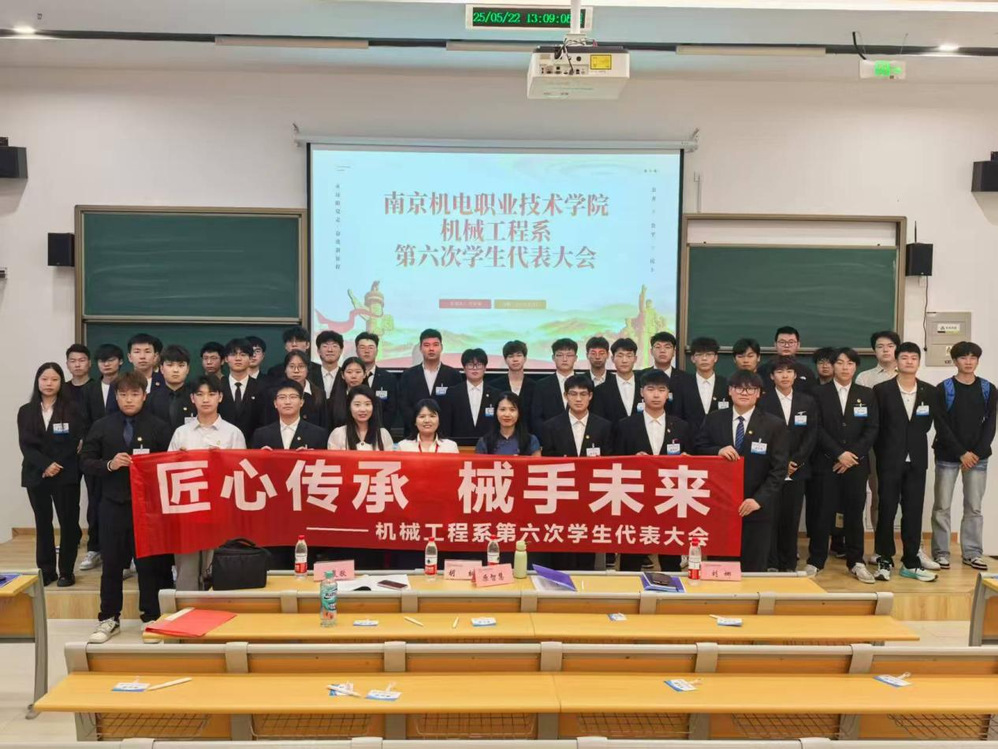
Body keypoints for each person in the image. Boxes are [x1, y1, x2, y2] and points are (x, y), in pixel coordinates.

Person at [80, 372, 173, 642]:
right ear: (116, 396)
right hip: (112, 504)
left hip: (148, 507)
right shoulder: (102, 425)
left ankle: (151, 616)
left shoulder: (159, 426)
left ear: (144, 395)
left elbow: (169, 464)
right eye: (123, 394)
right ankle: (109, 617)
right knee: (111, 564)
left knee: (148, 564)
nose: (128, 399)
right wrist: (110, 464)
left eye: (134, 394)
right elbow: (86, 461)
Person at [872, 342, 952, 583]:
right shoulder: (881, 390)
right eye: (904, 357)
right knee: (887, 509)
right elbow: (876, 426)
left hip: (917, 460)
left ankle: (911, 562)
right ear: (896, 361)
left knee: (913, 511)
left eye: (913, 358)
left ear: (918, 362)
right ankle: (884, 559)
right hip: (889, 458)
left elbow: (936, 424)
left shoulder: (930, 391)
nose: (909, 361)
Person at [695, 369, 788, 572]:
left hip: (755, 506)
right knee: (720, 566)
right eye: (739, 388)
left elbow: (779, 469)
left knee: (753, 566)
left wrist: (758, 500)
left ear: (758, 393)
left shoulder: (774, 425)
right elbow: (699, 449)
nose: (744, 393)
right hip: (720, 505)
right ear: (730, 391)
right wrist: (717, 450)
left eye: (750, 389)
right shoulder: (714, 419)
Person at [805, 348, 879, 583]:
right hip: (826, 463)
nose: (845, 367)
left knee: (855, 513)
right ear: (832, 366)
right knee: (822, 512)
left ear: (856, 367)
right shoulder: (817, 393)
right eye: (840, 363)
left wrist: (852, 456)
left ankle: (856, 561)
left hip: (856, 465)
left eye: (850, 363)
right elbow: (815, 427)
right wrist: (838, 454)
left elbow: (872, 428)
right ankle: (816, 560)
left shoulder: (867, 394)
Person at [168, 375, 247, 590]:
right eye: (200, 394)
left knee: (218, 564)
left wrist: (223, 460)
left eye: (211, 394)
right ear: (192, 398)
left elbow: (243, 473)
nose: (205, 399)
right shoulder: (181, 433)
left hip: (221, 507)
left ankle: (218, 606)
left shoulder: (233, 433)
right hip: (189, 508)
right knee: (187, 567)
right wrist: (179, 460)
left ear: (220, 397)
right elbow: (168, 472)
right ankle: (187, 606)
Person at [615, 369, 694, 572]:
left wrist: (687, 460)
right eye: (650, 389)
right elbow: (615, 462)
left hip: (670, 498)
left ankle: (672, 590)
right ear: (642, 392)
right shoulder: (625, 425)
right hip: (635, 499)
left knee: (670, 557)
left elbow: (692, 462)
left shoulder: (682, 426)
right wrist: (632, 461)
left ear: (668, 394)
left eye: (661, 389)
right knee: (631, 557)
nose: (656, 395)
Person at [17, 363, 85, 587]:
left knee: (68, 523)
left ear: (60, 382)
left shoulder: (72, 408)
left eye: (54, 379)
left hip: (65, 473)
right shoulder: (26, 411)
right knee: (43, 522)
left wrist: (55, 465)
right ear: (37, 381)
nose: (49, 383)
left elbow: (74, 442)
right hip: (36, 474)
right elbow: (26, 445)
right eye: (44, 379)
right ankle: (46, 570)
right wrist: (45, 465)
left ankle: (66, 571)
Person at [931, 341, 996, 571]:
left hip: (978, 458)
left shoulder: (988, 389)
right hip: (948, 455)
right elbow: (941, 424)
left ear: (977, 360)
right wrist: (961, 453)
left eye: (973, 358)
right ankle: (941, 553)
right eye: (963, 357)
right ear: (954, 361)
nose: (968, 362)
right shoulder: (943, 388)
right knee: (942, 506)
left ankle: (972, 553)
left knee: (974, 507)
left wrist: (975, 453)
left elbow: (990, 424)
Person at [759, 356, 819, 572]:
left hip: (797, 470)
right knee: (770, 516)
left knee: (791, 518)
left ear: (795, 375)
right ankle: (771, 562)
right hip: (770, 469)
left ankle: (789, 563)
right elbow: (761, 435)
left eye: (789, 372)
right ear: (771, 376)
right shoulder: (763, 401)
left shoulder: (807, 401)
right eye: (779, 372)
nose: (784, 376)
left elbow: (811, 435)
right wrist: (780, 463)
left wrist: (796, 461)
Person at [79, 343, 125, 572]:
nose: (106, 364)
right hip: (97, 455)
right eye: (102, 360)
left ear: (121, 361)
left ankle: (126, 553)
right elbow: (83, 420)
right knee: (95, 502)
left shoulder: (126, 386)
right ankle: (94, 547)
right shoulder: (89, 389)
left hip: (123, 453)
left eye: (111, 359)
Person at [398, 329, 462, 438]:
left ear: (441, 347)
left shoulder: (453, 375)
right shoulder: (408, 375)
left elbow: (457, 407)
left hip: (445, 435)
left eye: (435, 345)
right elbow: (404, 405)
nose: (431, 349)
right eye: (427, 345)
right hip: (414, 434)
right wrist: (419, 426)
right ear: (420, 348)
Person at [252, 379, 330, 450]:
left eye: (293, 397)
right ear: (275, 403)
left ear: (301, 402)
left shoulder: (318, 434)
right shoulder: (261, 434)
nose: (287, 402)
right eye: (282, 397)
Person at [442, 348, 500, 445]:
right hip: (459, 445)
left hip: (489, 446)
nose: (475, 368)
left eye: (479, 365)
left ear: (485, 368)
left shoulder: (496, 394)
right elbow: (446, 424)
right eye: (470, 365)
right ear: (464, 368)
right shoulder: (452, 393)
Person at [218, 338, 264, 442]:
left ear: (250, 358)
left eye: (243, 355)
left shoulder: (262, 388)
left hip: (253, 446)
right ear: (226, 359)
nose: (238, 359)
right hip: (222, 444)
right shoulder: (217, 387)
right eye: (233, 355)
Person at [267, 350, 327, 428]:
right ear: (285, 369)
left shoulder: (319, 394)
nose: (296, 371)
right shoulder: (273, 393)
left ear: (307, 369)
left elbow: (324, 425)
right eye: (291, 366)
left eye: (301, 366)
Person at [531, 338, 578, 437]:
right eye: (560, 355)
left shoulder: (585, 383)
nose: (564, 359)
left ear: (576, 358)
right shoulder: (542, 385)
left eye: (569, 355)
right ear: (553, 357)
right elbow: (536, 418)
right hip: (550, 439)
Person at [644, 331, 695, 420]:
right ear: (651, 351)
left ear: (674, 352)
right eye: (658, 347)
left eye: (667, 347)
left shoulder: (687, 379)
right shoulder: (640, 377)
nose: (662, 351)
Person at [328, 384, 395, 451]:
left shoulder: (383, 435)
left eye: (367, 404)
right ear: (349, 407)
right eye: (357, 404)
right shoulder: (338, 434)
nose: (363, 409)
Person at [146, 344, 196, 430]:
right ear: (162, 369)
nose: (175, 370)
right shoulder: (150, 399)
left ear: (188, 369)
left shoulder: (196, 398)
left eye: (181, 365)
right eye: (170, 365)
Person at [592, 337, 641, 424]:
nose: (624, 360)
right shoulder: (600, 390)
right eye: (620, 356)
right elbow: (599, 423)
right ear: (612, 359)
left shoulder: (645, 386)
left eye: (629, 356)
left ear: (635, 359)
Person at [355, 332, 398, 429]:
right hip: (352, 430)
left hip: (380, 430)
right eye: (362, 347)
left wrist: (379, 430)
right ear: (356, 351)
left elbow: (391, 409)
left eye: (371, 347)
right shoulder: (350, 376)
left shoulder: (388, 378)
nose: (366, 351)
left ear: (377, 351)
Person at [477, 392, 541, 456]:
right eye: (502, 409)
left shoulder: (531, 441)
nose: (507, 414)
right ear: (496, 412)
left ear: (519, 413)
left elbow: (536, 462)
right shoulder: (484, 442)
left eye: (512, 410)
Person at [686, 336, 729, 430]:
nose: (704, 358)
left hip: (718, 435)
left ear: (716, 358)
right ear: (693, 358)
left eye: (709, 354)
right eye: (699, 355)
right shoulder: (683, 384)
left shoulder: (726, 384)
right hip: (690, 436)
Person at [758, 326, 818, 393]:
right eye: (782, 342)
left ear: (798, 345)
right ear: (775, 345)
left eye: (791, 342)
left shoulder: (806, 372)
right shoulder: (763, 370)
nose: (786, 346)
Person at [490, 340, 536, 422]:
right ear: (505, 360)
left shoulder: (535, 386)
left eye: (519, 355)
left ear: (525, 358)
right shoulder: (494, 386)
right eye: (511, 356)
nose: (515, 359)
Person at [328, 356, 368, 429]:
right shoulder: (332, 401)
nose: (353, 376)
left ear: (364, 374)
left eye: (358, 372)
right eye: (349, 372)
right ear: (342, 375)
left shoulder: (373, 400)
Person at [314, 330, 345, 400]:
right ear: (318, 351)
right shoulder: (310, 376)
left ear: (341, 351)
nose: (330, 350)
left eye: (334, 346)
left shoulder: (346, 376)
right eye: (325, 346)